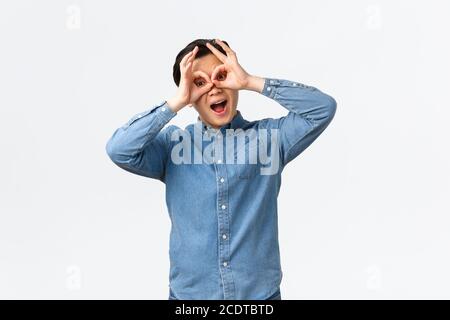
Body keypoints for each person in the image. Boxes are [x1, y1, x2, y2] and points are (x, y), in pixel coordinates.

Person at [105, 38, 337, 300]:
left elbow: (323, 109)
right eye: (200, 83)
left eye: (221, 75)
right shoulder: (171, 145)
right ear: (189, 96)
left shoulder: (271, 138)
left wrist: (251, 81)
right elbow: (119, 149)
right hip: (190, 300)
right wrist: (176, 102)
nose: (214, 88)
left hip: (259, 298)